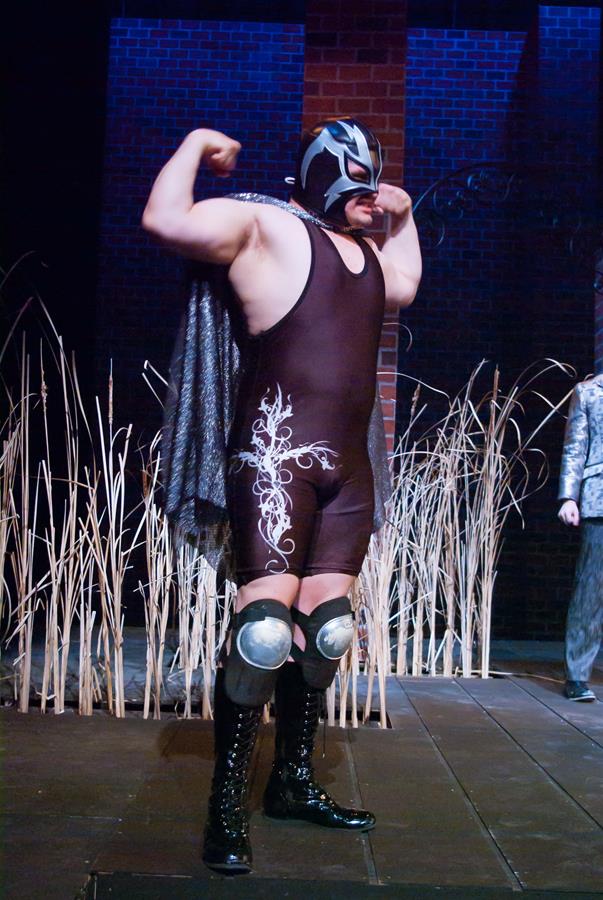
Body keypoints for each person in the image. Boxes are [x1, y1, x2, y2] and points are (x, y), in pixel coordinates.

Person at [142, 118, 422, 874]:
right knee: (263, 633)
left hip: (347, 472)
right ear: (326, 176)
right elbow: (165, 220)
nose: (372, 195)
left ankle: (292, 784)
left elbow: (404, 283)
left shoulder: (369, 258)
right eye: (359, 182)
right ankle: (224, 806)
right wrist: (198, 143)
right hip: (274, 458)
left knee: (326, 631)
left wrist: (401, 213)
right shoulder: (266, 225)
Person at [558, 373, 603, 702]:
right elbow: (575, 446)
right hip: (598, 498)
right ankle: (577, 676)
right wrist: (568, 497)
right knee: (591, 590)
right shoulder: (588, 393)